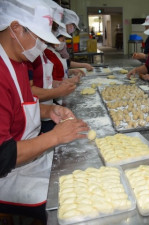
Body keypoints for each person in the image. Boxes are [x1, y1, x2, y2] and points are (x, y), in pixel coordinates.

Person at [0, 0, 89, 223]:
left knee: (77, 174)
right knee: (71, 200)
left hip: (28, 157)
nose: (42, 46)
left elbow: (20, 107)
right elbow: (2, 156)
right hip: (6, 174)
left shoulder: (19, 62)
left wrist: (51, 110)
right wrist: (55, 137)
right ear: (15, 28)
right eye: (39, 38)